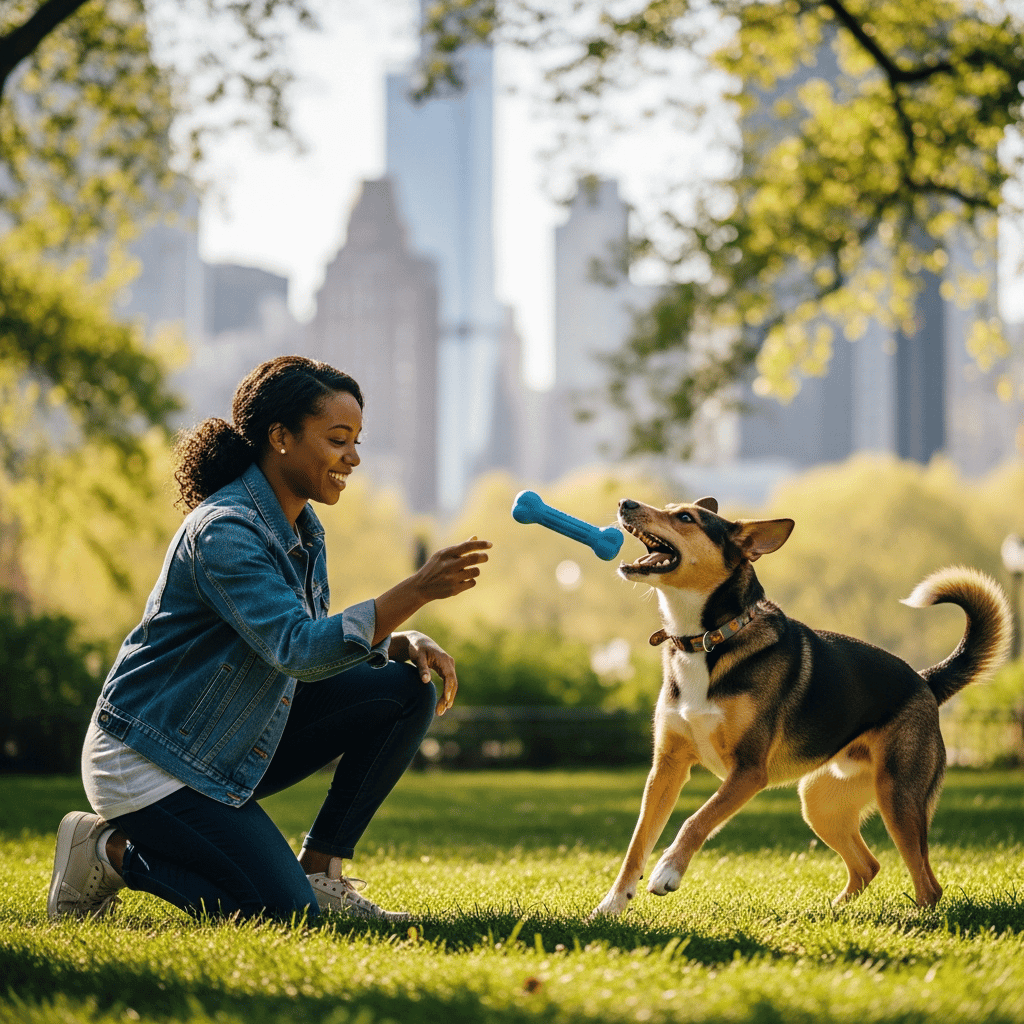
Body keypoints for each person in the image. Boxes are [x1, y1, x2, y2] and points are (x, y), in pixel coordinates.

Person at [47, 355, 491, 923]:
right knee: (282, 917)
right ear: (279, 437)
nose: (352, 458)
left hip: (224, 739)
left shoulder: (303, 530)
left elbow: (302, 646)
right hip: (149, 759)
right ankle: (109, 854)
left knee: (407, 687)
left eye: (356, 440)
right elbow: (298, 650)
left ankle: (321, 871)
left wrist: (393, 640)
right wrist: (416, 589)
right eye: (337, 439)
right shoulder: (225, 530)